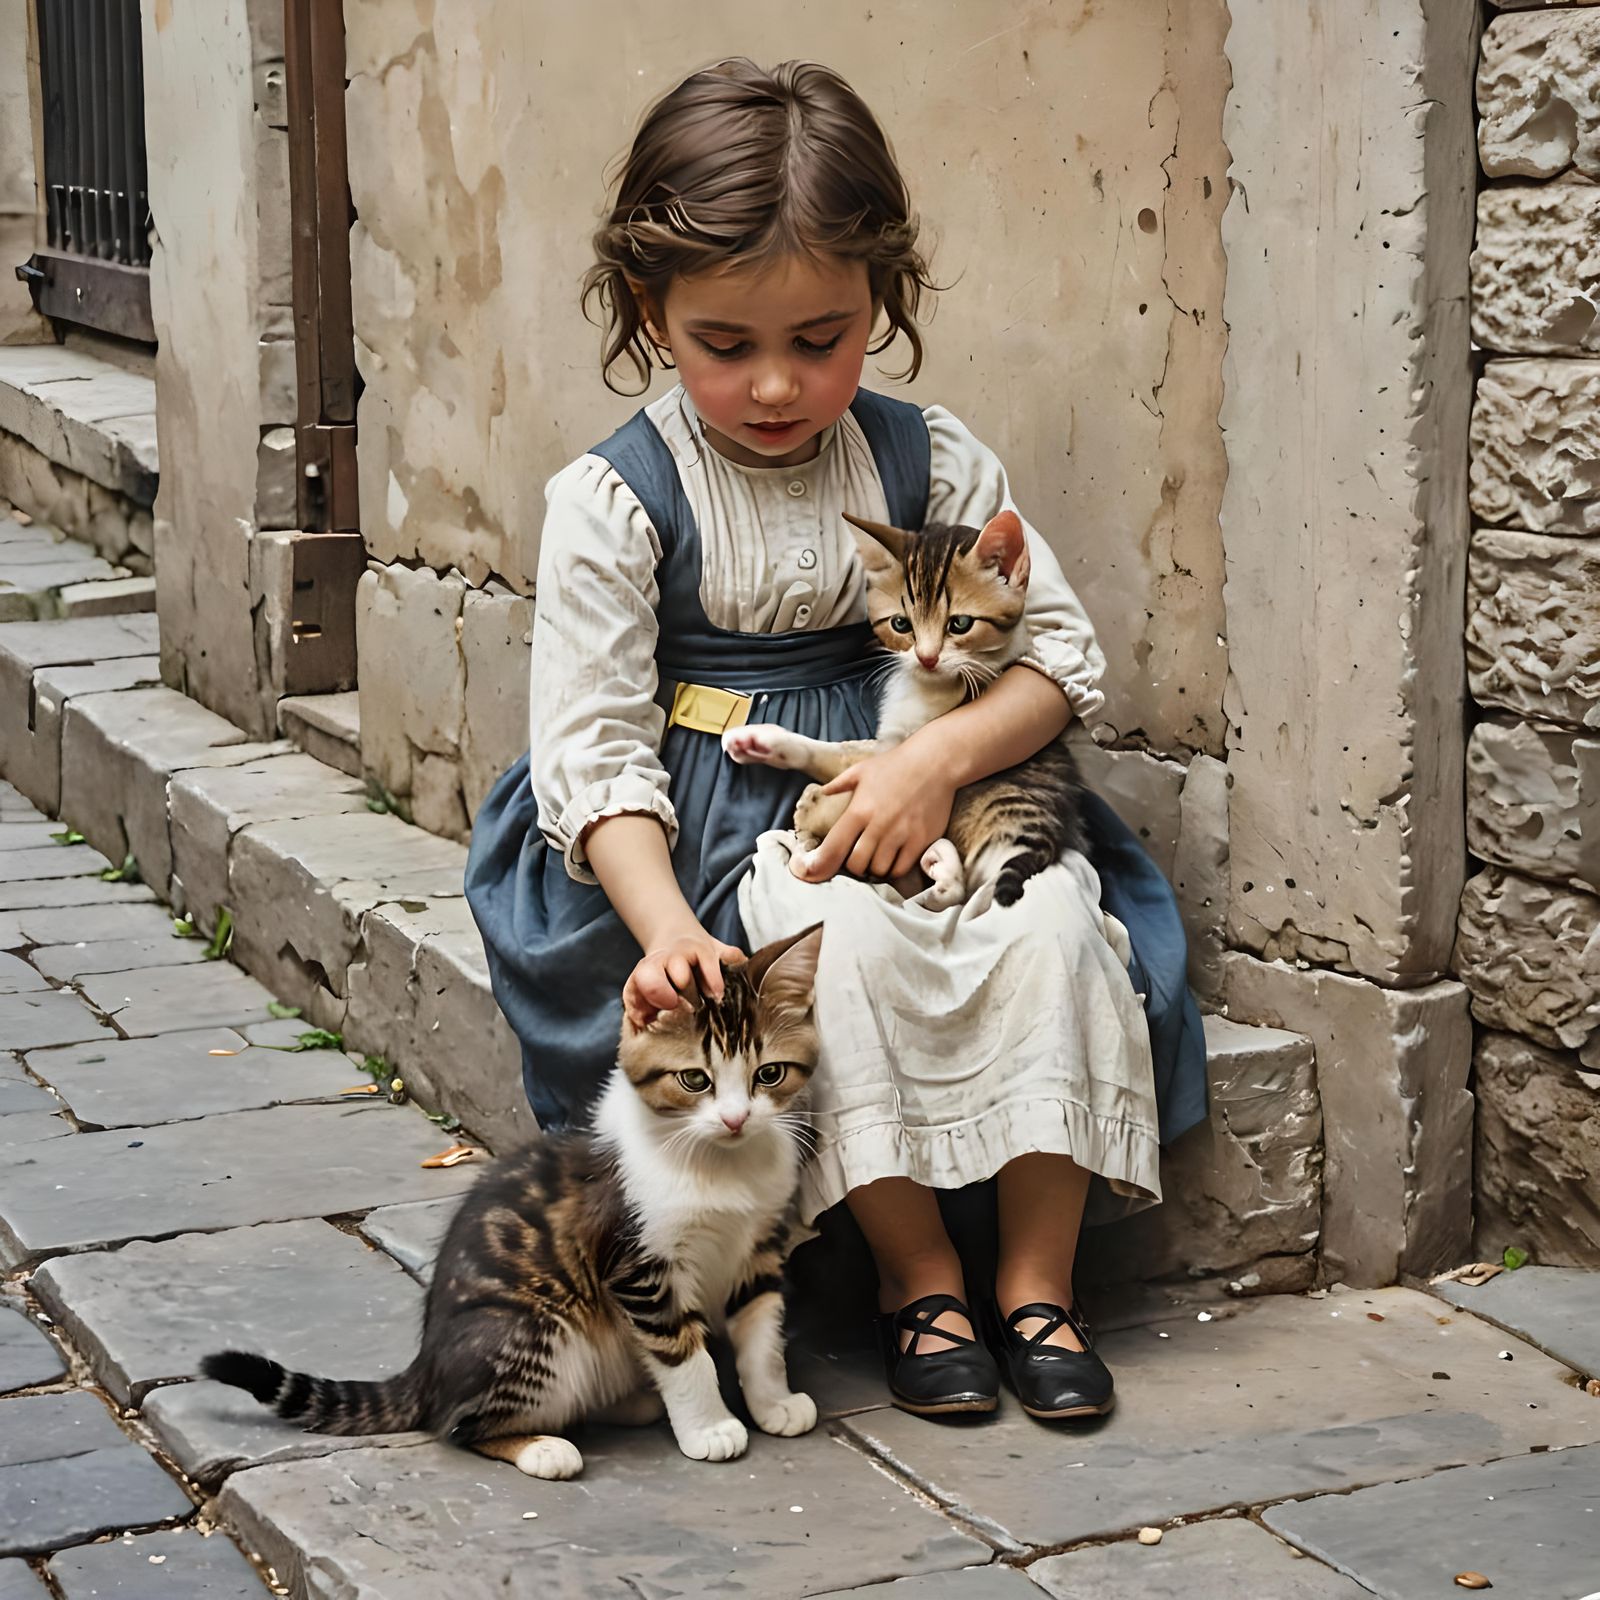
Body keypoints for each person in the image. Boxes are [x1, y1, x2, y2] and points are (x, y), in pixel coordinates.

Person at [465, 57, 1207, 1423]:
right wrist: (670, 931)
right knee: (839, 958)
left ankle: (1039, 1281)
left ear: (883, 301)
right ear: (651, 310)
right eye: (724, 344)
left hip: (956, 792)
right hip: (717, 814)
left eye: (822, 338)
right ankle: (916, 1277)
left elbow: (1059, 666)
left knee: (1051, 932)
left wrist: (933, 763)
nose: (772, 385)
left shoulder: (934, 460)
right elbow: (594, 750)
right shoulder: (617, 499)